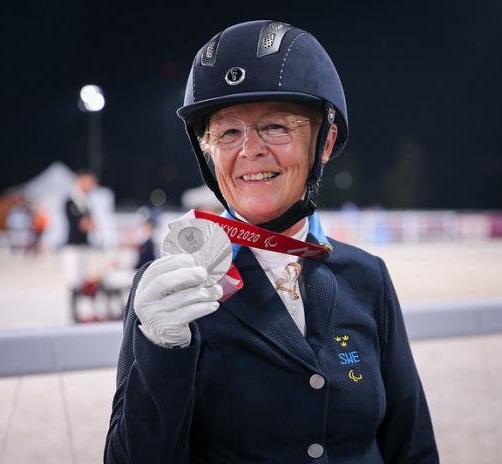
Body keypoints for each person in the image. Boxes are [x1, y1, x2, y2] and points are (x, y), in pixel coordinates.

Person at [105, 20, 438, 463]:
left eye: (276, 127)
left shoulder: (367, 276)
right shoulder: (171, 286)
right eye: (227, 132)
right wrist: (161, 352)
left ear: (324, 141)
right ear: (208, 152)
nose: (251, 150)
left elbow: (410, 445)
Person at [62, 169, 98, 322]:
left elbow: (91, 224)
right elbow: (82, 225)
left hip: (84, 245)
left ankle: (82, 311)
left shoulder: (85, 201)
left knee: (84, 279)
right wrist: (89, 224)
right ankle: (73, 312)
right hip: (73, 247)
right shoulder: (71, 201)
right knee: (74, 280)